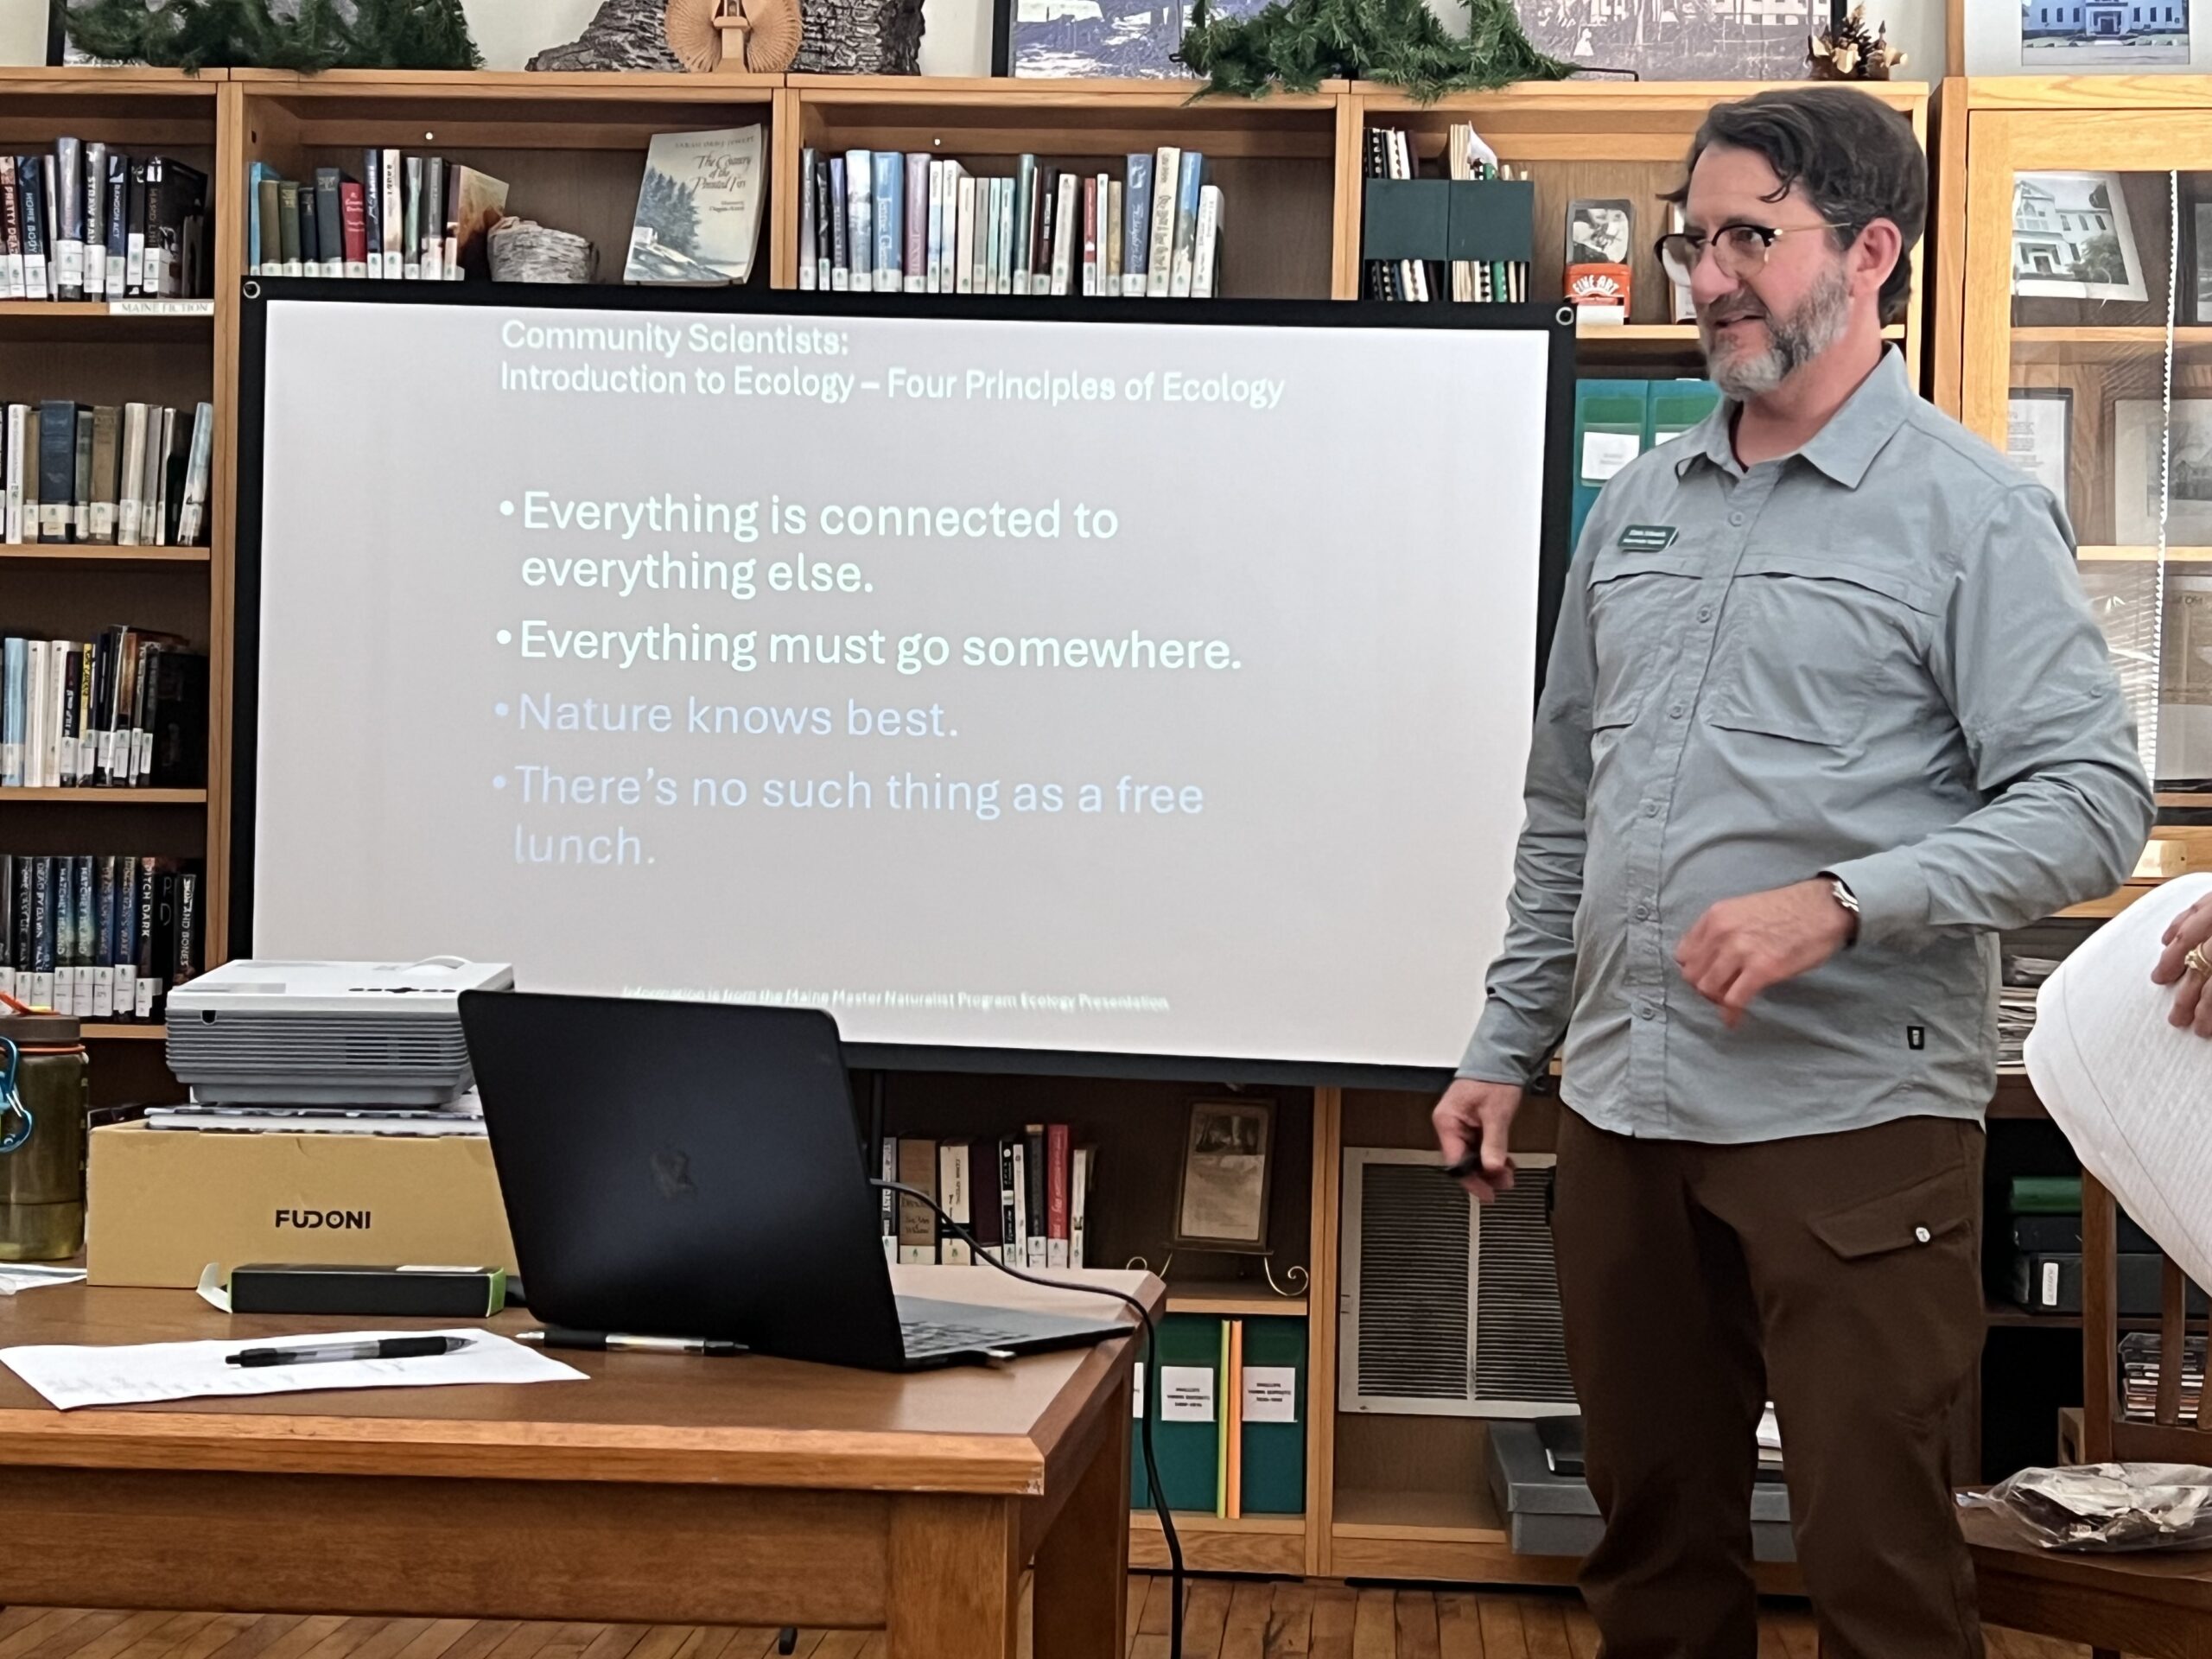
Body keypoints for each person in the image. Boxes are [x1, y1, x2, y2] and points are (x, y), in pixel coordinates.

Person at [1432, 86, 2155, 1659]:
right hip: (1621, 1113)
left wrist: (1842, 900)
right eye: (1699, 241)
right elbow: (1567, 810)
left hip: (1852, 1133)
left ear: (1872, 252)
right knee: (1650, 1563)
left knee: (1881, 1576)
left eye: (1752, 237)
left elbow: (2096, 804)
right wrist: (1505, 1046)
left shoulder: (1973, 512)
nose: (1710, 277)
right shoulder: (1634, 510)